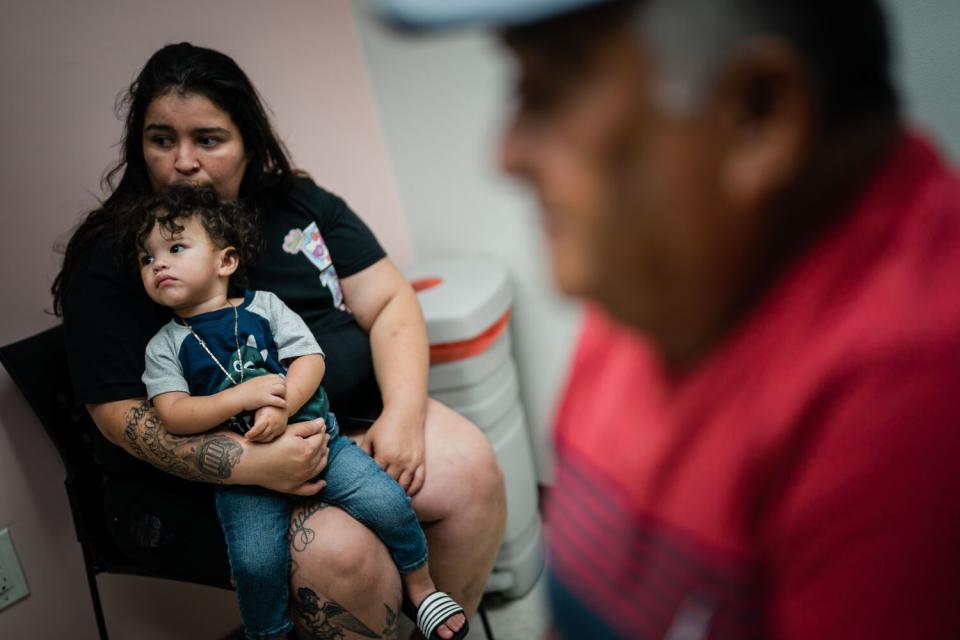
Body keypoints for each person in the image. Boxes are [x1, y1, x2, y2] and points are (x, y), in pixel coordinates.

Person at [377, 0, 960, 638]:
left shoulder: (911, 394)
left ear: (755, 114)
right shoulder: (670, 272)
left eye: (548, 87)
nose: (506, 154)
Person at [52, 42, 505, 639]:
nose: (183, 162)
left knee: (469, 469)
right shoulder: (121, 256)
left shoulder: (295, 202)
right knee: (344, 556)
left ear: (249, 143)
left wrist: (402, 412)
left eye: (208, 139)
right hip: (187, 483)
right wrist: (249, 464)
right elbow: (118, 416)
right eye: (162, 139)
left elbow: (392, 300)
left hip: (330, 425)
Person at [131, 185, 467, 640]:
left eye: (174, 248)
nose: (159, 264)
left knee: (388, 501)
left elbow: (310, 360)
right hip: (245, 476)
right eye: (148, 258)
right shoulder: (164, 346)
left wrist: (282, 403)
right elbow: (173, 414)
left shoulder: (264, 307)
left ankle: (421, 588)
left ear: (225, 262)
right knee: (254, 561)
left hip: (317, 437)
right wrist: (241, 399)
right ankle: (268, 633)